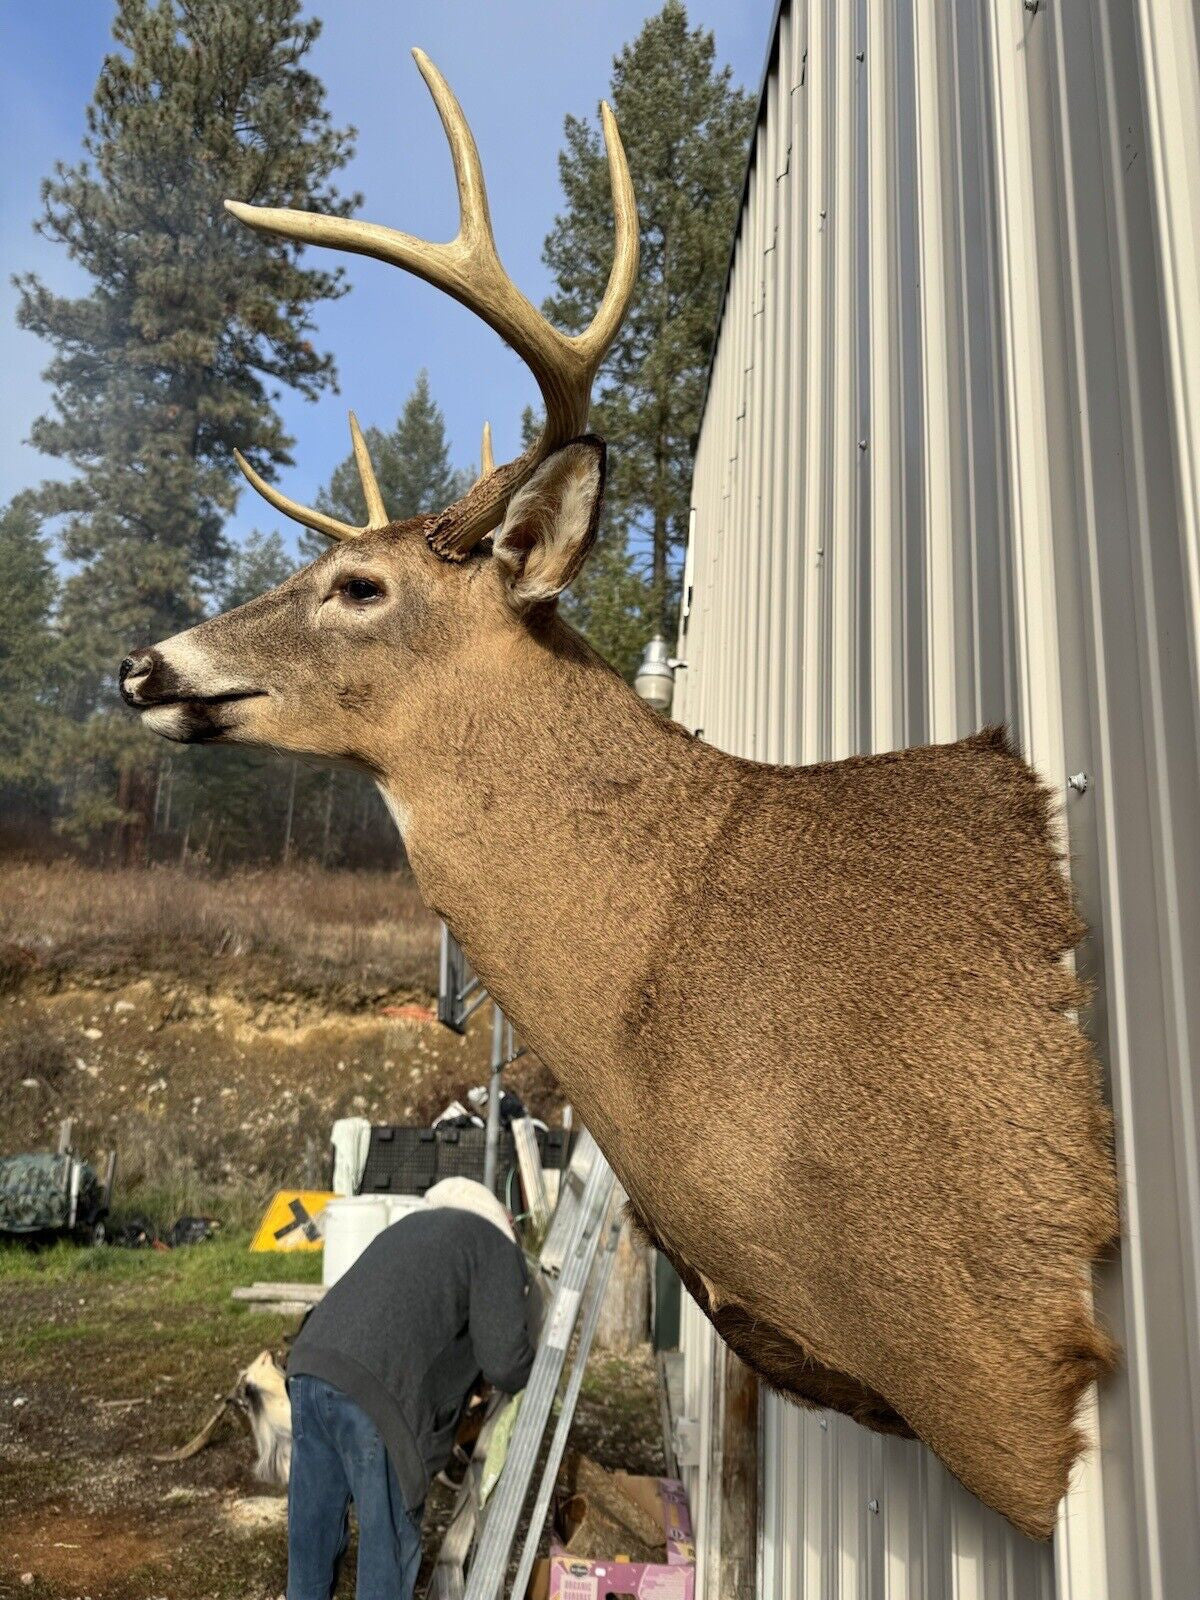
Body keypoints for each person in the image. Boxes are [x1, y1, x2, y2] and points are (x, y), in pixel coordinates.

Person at [286, 1186, 537, 1600]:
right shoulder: (493, 1246)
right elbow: (505, 1361)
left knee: (311, 1543)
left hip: (309, 1369)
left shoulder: (412, 1228)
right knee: (385, 1552)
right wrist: (539, 1370)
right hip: (377, 1398)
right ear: (506, 1222)